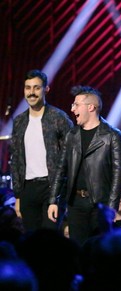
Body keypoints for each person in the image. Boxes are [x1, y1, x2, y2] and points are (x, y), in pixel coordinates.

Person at [48, 85, 121, 245]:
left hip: (100, 204)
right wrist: (53, 200)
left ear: (91, 107)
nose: (72, 109)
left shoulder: (112, 136)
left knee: (100, 250)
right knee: (79, 250)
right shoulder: (72, 135)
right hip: (76, 204)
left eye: (76, 105)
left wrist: (111, 207)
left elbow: (119, 174)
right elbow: (61, 169)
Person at [10, 69, 73, 232]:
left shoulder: (58, 118)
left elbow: (72, 154)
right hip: (28, 188)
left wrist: (62, 191)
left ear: (46, 89)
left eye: (36, 88)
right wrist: (17, 195)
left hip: (52, 187)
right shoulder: (19, 121)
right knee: (31, 240)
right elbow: (16, 158)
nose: (31, 92)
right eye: (28, 88)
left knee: (49, 238)